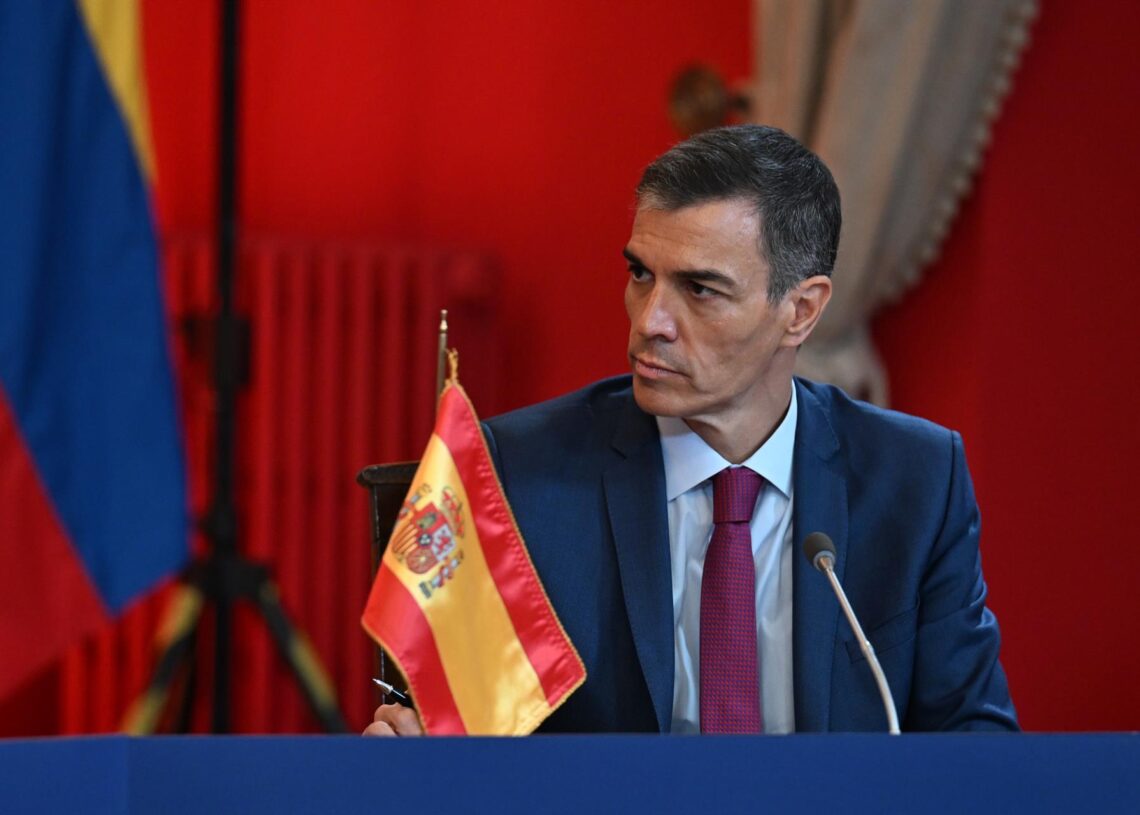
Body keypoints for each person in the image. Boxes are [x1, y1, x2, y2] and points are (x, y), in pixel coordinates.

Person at [365, 124, 1017, 736]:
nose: (651, 321)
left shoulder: (916, 481)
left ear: (801, 310)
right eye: (641, 274)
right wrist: (420, 742)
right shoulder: (521, 475)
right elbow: (464, 736)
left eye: (700, 289)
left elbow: (975, 743)